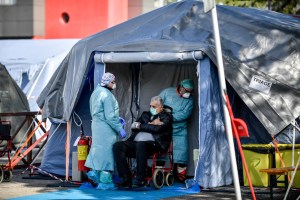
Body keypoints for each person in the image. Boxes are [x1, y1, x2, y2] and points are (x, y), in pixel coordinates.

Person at [113, 96, 173, 188]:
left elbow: (158, 129)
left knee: (141, 145)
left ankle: (141, 179)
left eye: (154, 106)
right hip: (137, 142)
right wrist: (150, 124)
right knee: (118, 146)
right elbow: (133, 126)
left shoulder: (167, 117)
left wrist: (141, 126)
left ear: (161, 107)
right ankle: (125, 177)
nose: (151, 108)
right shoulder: (145, 115)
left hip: (155, 144)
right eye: (150, 106)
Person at [85, 72, 127, 190]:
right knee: (107, 154)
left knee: (97, 150)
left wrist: (114, 118)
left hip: (97, 126)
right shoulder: (107, 95)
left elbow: (99, 111)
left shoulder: (96, 92)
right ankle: (105, 183)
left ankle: (95, 174)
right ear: (108, 82)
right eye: (113, 82)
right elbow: (109, 116)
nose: (114, 84)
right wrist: (119, 127)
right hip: (106, 129)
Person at [159, 79, 194, 182]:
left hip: (180, 130)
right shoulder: (167, 92)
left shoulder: (190, 100)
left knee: (182, 153)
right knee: (162, 152)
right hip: (165, 129)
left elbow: (184, 114)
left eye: (190, 91)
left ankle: (181, 178)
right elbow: (157, 103)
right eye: (187, 90)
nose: (188, 93)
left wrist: (168, 117)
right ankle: (160, 175)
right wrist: (163, 116)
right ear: (181, 87)